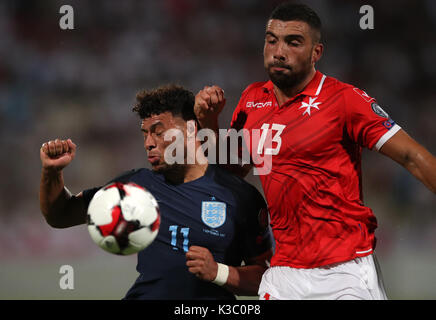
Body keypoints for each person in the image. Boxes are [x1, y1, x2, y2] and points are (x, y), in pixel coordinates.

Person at [194, 2, 436, 300]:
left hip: (344, 271)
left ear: (316, 53)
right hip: (284, 272)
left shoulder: (345, 100)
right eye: (272, 40)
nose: (279, 51)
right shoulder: (252, 99)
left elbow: (412, 156)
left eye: (293, 42)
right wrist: (208, 122)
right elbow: (232, 171)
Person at [39, 84, 273, 300]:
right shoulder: (135, 186)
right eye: (145, 134)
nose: (148, 143)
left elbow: (268, 279)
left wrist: (218, 272)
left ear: (191, 129)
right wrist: (52, 173)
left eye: (158, 132)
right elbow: (61, 215)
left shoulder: (239, 196)